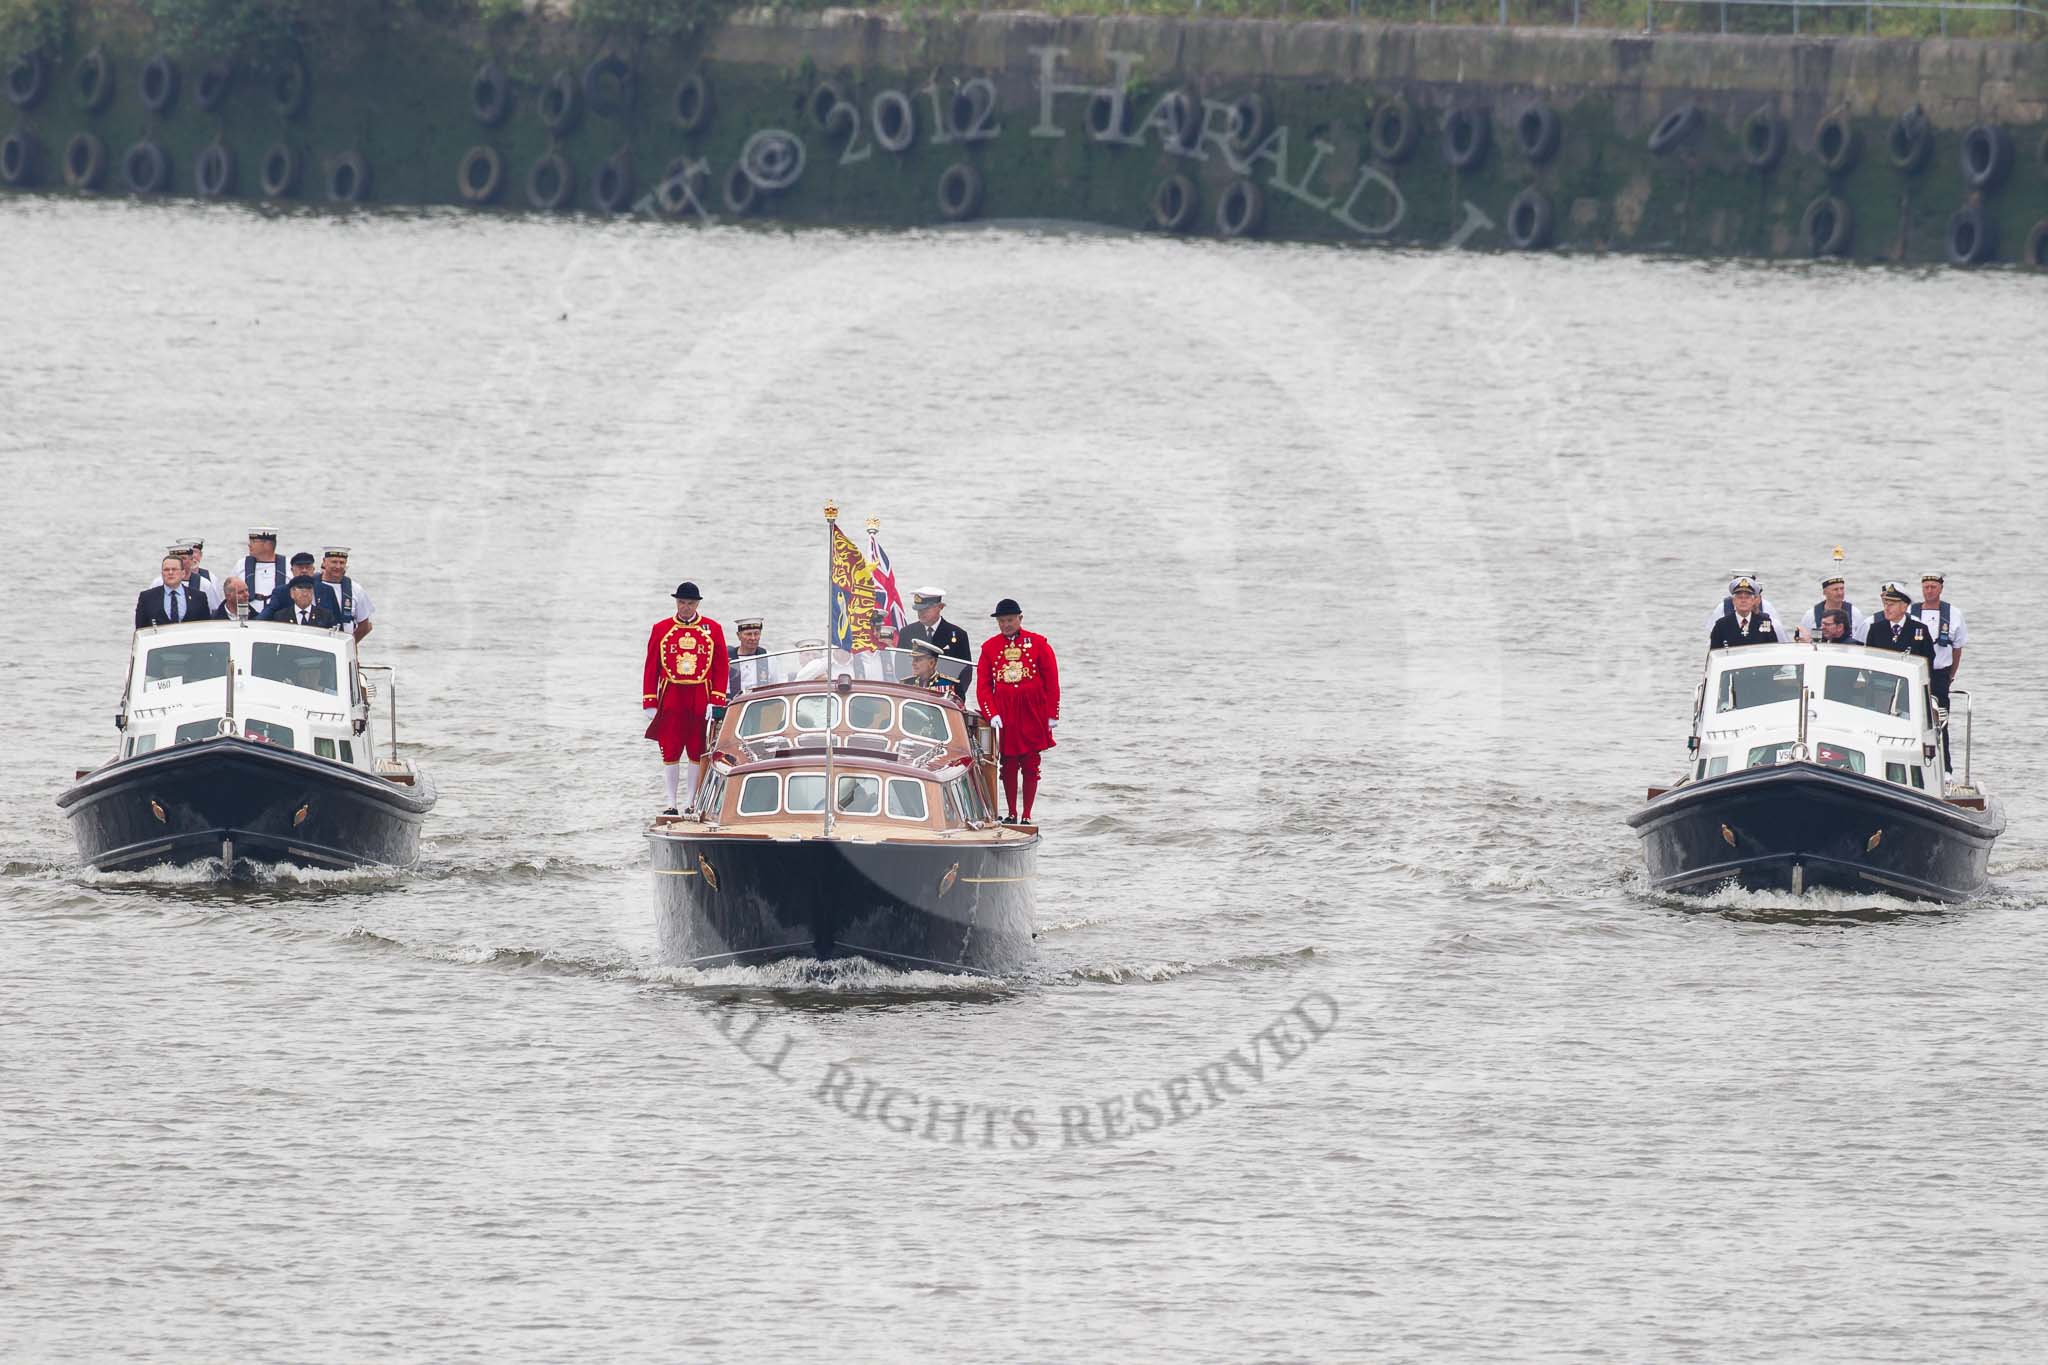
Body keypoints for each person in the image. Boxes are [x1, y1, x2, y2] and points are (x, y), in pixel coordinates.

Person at [642, 582, 729, 816]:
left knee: (696, 749)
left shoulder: (713, 628)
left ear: (697, 604)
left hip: (700, 695)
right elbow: (652, 666)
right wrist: (650, 701)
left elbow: (721, 667)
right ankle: (671, 803)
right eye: (682, 603)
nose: (686, 608)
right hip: (671, 695)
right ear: (676, 603)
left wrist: (716, 699)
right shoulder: (661, 628)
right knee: (670, 750)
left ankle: (691, 801)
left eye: (690, 603)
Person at [975, 597, 1060, 824]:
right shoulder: (989, 648)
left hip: (1032, 712)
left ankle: (1027, 814)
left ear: (1020, 618)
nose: (1005, 625)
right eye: (1001, 621)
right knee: (1009, 764)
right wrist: (991, 713)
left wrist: (1052, 713)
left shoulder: (1039, 643)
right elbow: (983, 686)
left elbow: (1052, 681)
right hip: (1006, 714)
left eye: (1010, 620)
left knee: (1031, 763)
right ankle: (1011, 812)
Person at [1911, 572, 1968, 771]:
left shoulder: (1953, 614)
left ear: (1941, 588)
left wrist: (1950, 675)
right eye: (1925, 587)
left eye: (1933, 587)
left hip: (1940, 673)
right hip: (1915, 672)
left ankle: (1945, 769)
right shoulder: (1912, 611)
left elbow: (1958, 648)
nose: (1929, 591)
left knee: (1940, 723)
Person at [898, 587, 972, 700]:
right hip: (912, 696)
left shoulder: (958, 634)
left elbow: (966, 673)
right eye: (918, 610)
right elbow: (900, 668)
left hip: (945, 697)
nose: (921, 613)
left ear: (940, 607)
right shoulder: (907, 633)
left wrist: (955, 697)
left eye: (926, 609)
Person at [1863, 582, 1936, 665]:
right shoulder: (1875, 629)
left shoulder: (1919, 629)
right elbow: (1869, 660)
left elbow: (1929, 660)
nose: (1886, 608)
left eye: (1891, 605)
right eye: (1885, 604)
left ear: (1904, 607)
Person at [314, 546, 375, 643]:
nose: (338, 567)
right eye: (334, 562)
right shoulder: (310, 586)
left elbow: (365, 626)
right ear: (324, 562)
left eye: (341, 563)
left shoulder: (355, 589)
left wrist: (349, 645)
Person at [149, 541, 224, 615]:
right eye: (176, 559)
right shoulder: (158, 582)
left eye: (183, 558)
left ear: (191, 560)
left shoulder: (204, 584)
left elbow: (215, 611)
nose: (179, 562)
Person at [1704, 574, 1782, 641]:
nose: (1743, 600)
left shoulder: (1765, 623)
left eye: (1747, 597)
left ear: (1753, 600)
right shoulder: (1721, 625)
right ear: (1733, 601)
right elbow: (1714, 653)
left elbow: (1772, 649)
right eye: (1739, 597)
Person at [135, 555, 204, 627]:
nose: (170, 573)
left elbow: (207, 628)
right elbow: (140, 630)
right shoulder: (147, 598)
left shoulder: (199, 598)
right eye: (166, 570)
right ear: (162, 574)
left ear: (183, 573)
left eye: (174, 569)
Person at [1795, 574, 1864, 642]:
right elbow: (1802, 640)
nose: (1840, 593)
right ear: (1825, 592)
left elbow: (1862, 639)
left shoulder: (1854, 613)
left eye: (1842, 589)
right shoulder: (1811, 615)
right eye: (1835, 590)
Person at [241, 528, 290, 617]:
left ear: (267, 544)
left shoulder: (288, 566)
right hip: (249, 618)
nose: (249, 544)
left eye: (254, 541)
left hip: (279, 619)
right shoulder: (241, 565)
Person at [259, 554, 321, 620]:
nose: (304, 571)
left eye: (307, 567)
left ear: (313, 569)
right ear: (292, 570)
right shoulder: (281, 592)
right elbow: (268, 613)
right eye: (300, 568)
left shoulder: (326, 590)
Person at [272, 575, 338, 629]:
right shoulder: (281, 617)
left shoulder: (325, 616)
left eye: (309, 589)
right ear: (292, 593)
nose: (305, 594)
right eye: (301, 589)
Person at [728, 617, 772, 695]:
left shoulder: (768, 657)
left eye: (756, 634)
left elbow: (776, 684)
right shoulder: (729, 659)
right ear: (738, 636)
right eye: (748, 634)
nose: (753, 638)